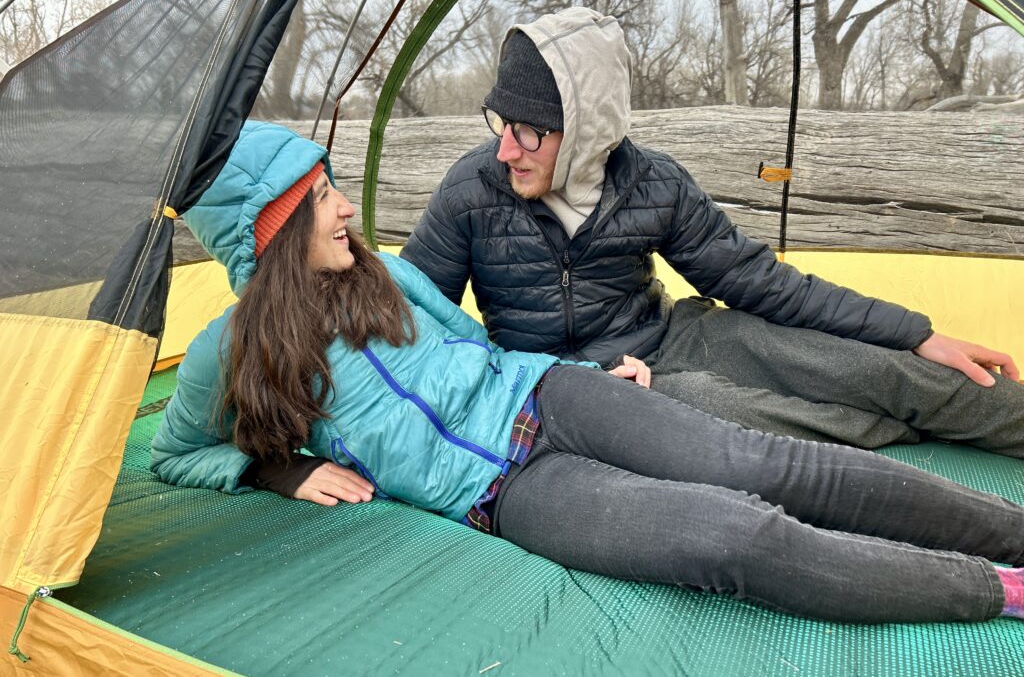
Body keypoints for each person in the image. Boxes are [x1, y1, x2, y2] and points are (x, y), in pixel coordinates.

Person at [152, 120, 1024, 625]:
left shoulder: (389, 272)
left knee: (767, 463)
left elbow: (484, 350)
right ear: (264, 228)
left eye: (334, 184)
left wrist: (588, 376)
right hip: (502, 492)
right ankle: (998, 589)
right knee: (731, 536)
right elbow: (175, 449)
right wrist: (280, 466)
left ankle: (1012, 534)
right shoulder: (228, 356)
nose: (344, 204)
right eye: (319, 196)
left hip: (555, 395)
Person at [400, 7, 1024, 454]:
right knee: (746, 424)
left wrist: (915, 334)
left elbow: (764, 282)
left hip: (672, 337)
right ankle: (891, 431)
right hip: (564, 386)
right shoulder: (471, 192)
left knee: (876, 369)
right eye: (501, 123)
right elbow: (412, 323)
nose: (507, 149)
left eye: (529, 129)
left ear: (588, 125)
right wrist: (550, 382)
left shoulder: (652, 183)